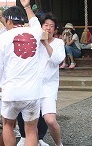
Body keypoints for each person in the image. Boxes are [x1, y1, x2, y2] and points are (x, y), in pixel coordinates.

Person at [0, 0, 43, 146]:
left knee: (8, 124)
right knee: (31, 130)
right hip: (32, 91)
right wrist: (27, 6)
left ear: (8, 21)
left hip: (11, 90)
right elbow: (34, 21)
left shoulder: (4, 37)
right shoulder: (35, 32)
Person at [17, 13, 64, 146]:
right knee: (28, 115)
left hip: (48, 87)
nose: (48, 28)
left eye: (51, 26)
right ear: (41, 27)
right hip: (32, 85)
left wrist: (45, 43)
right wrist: (27, 8)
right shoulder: (34, 42)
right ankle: (27, 138)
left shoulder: (59, 43)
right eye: (46, 25)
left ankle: (58, 143)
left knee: (50, 119)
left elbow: (57, 60)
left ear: (55, 30)